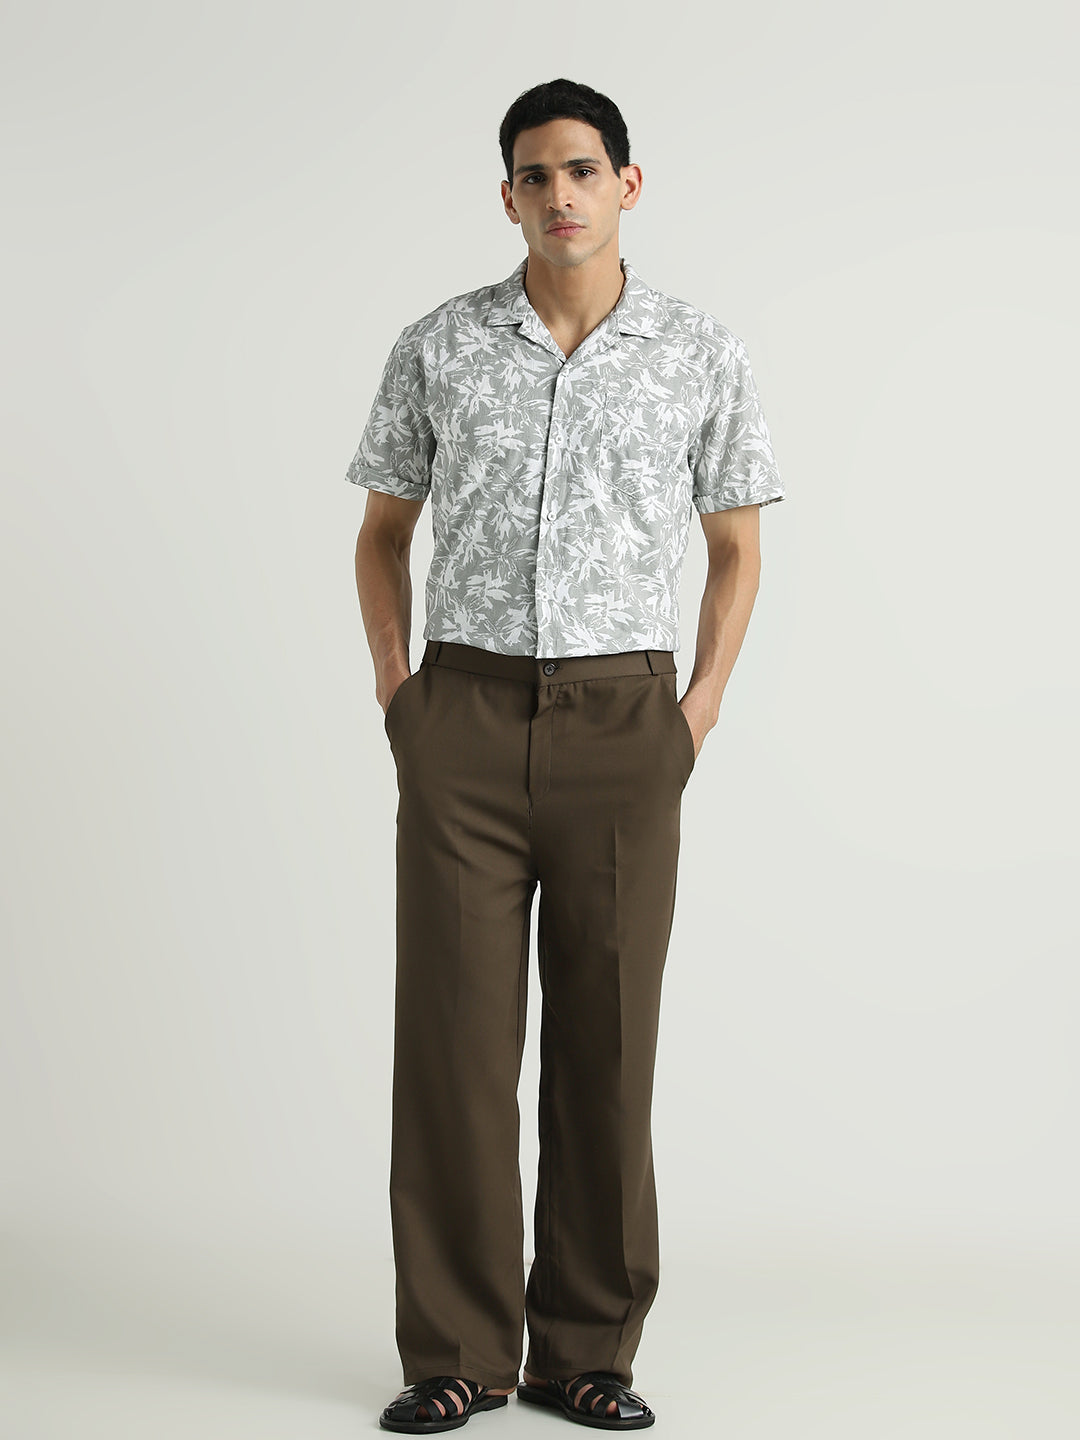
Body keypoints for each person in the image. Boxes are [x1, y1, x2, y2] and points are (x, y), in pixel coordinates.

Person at [347, 77, 785, 1432]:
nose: (560, 195)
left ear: (626, 184)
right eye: (534, 175)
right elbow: (382, 533)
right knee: (455, 1051)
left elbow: (735, 547)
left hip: (623, 727)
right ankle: (455, 1354)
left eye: (582, 169)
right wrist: (401, 695)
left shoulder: (698, 351)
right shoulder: (440, 345)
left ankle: (588, 1351)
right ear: (508, 198)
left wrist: (697, 710)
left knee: (607, 1045)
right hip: (465, 721)